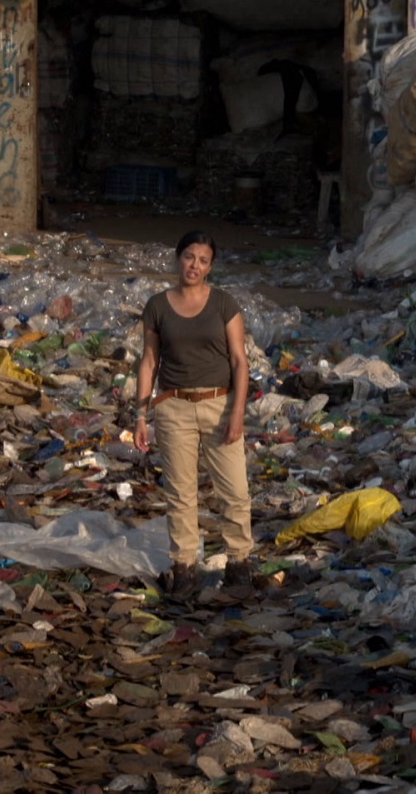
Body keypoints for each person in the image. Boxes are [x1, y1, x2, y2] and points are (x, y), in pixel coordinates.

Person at [134, 230, 253, 598]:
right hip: (173, 407)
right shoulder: (157, 305)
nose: (194, 266)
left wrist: (237, 413)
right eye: (189, 257)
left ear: (210, 267)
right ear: (177, 258)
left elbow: (239, 361)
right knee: (181, 494)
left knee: (234, 490)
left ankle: (239, 565)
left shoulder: (223, 304)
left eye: (203, 260)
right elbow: (149, 360)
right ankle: (184, 570)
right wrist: (141, 415)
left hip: (219, 404)